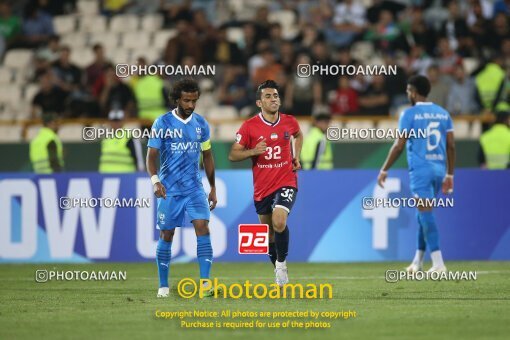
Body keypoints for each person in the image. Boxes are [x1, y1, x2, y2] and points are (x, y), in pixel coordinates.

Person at [146, 78, 217, 298]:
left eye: (194, 101)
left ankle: (205, 284)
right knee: (167, 234)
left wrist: (212, 187)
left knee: (203, 227)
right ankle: (163, 286)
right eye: (186, 101)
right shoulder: (162, 123)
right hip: (169, 188)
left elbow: (207, 156)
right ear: (177, 99)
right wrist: (155, 181)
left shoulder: (201, 124)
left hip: (194, 188)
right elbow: (151, 157)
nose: (191, 105)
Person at [228, 80, 303, 287]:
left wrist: (296, 156)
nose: (273, 99)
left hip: (287, 179)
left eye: (276, 96)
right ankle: (279, 269)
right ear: (259, 103)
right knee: (268, 232)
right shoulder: (249, 126)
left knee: (279, 221)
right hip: (262, 187)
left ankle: (281, 264)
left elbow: (298, 135)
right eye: (268, 96)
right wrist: (253, 151)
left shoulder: (289, 121)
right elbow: (233, 154)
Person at [377, 75, 455, 273]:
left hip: (421, 171)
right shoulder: (443, 113)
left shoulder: (409, 114)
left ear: (413, 91)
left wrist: (384, 168)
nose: (407, 94)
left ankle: (438, 263)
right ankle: (418, 261)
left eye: (408, 91)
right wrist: (449, 175)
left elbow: (399, 145)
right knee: (423, 214)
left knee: (425, 214)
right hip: (439, 170)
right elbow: (451, 146)